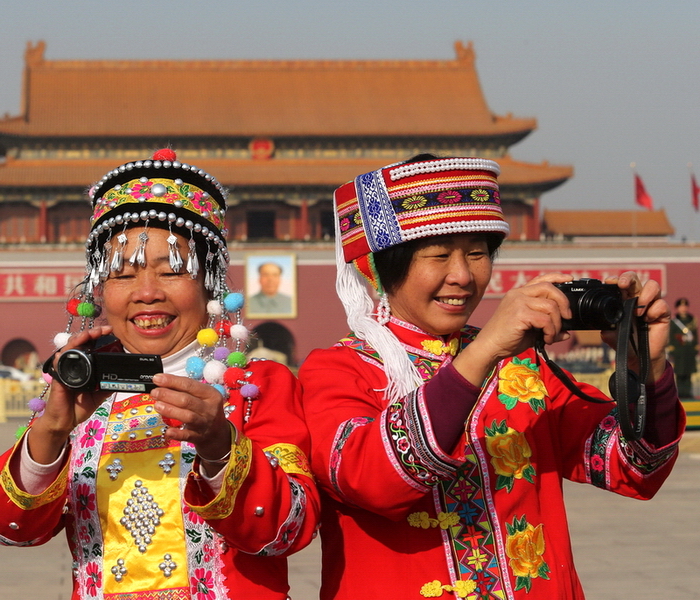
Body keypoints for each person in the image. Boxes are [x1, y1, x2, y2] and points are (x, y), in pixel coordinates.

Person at [299, 155, 684, 600]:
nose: (463, 276)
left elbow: (633, 467)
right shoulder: (338, 370)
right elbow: (373, 480)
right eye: (439, 255)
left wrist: (646, 367)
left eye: (477, 253)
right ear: (381, 268)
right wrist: (482, 352)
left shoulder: (523, 367)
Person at [0, 150, 319, 599]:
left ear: (210, 282)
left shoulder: (254, 386)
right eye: (123, 275)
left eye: (171, 272)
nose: (147, 293)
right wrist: (51, 431)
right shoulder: (78, 392)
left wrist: (218, 446)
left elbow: (289, 529)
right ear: (100, 290)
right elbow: (14, 531)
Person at [668, 297, 698, 398]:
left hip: (689, 351)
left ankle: (688, 393)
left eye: (685, 306)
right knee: (680, 373)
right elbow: (671, 336)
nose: (683, 308)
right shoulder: (674, 322)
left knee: (688, 373)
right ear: (677, 308)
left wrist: (695, 347)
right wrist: (672, 349)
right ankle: (680, 393)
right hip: (679, 351)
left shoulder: (691, 320)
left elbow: (694, 335)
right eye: (681, 306)